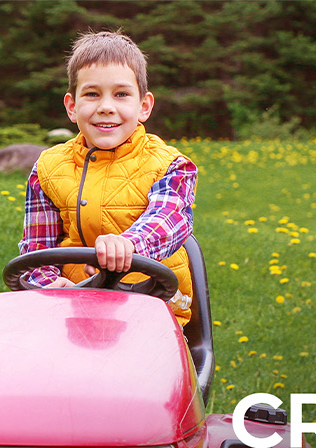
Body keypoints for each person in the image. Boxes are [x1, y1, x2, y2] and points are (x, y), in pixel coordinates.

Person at [18, 30, 198, 326]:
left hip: (152, 308)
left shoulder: (171, 166)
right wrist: (45, 282)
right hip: (72, 309)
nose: (105, 106)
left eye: (121, 94)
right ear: (72, 107)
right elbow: (38, 247)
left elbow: (169, 220)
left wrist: (128, 245)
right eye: (91, 94)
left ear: (144, 106)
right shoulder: (47, 168)